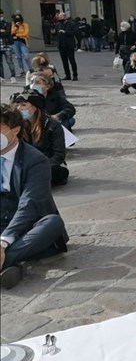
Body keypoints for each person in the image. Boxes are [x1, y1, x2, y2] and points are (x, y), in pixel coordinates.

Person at [0, 105, 68, 289]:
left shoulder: (35, 160)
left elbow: (30, 203)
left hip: (27, 224)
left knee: (53, 223)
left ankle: (8, 257)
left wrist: (3, 241)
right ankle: (11, 265)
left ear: (15, 130)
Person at [14, 92, 68, 186]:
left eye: (23, 105)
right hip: (28, 164)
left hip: (48, 164)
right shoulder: (18, 126)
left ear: (35, 107)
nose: (19, 108)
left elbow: (59, 155)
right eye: (17, 105)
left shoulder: (52, 126)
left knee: (52, 170)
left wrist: (40, 165)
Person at [51, 12, 78, 81]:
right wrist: (53, 32)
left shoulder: (71, 24)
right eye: (59, 17)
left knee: (72, 61)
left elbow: (74, 32)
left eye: (61, 17)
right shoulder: (58, 24)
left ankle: (75, 75)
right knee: (64, 61)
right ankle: (67, 75)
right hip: (61, 45)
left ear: (65, 17)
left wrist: (65, 32)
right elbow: (55, 33)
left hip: (69, 45)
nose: (59, 18)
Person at [10, 13, 30, 77]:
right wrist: (16, 26)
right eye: (16, 20)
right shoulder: (13, 25)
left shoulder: (25, 25)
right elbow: (11, 32)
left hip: (23, 41)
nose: (18, 21)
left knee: (26, 56)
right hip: (15, 42)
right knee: (18, 57)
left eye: (19, 20)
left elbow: (26, 33)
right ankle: (22, 70)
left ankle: (30, 69)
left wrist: (17, 35)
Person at [0, 10, 17, 83]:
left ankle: (13, 76)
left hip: (6, 44)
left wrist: (3, 32)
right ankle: (1, 77)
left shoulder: (7, 23)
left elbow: (7, 32)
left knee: (9, 61)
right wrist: (2, 31)